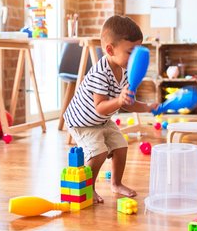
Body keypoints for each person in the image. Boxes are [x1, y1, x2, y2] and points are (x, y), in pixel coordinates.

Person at [64, 15, 158, 204]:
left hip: (102, 121)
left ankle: (116, 183)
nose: (134, 59)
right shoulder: (101, 73)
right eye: (130, 52)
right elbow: (100, 107)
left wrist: (147, 107)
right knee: (98, 152)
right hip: (82, 123)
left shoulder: (125, 71)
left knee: (121, 145)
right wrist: (119, 99)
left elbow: (128, 102)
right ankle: (88, 188)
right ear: (110, 49)